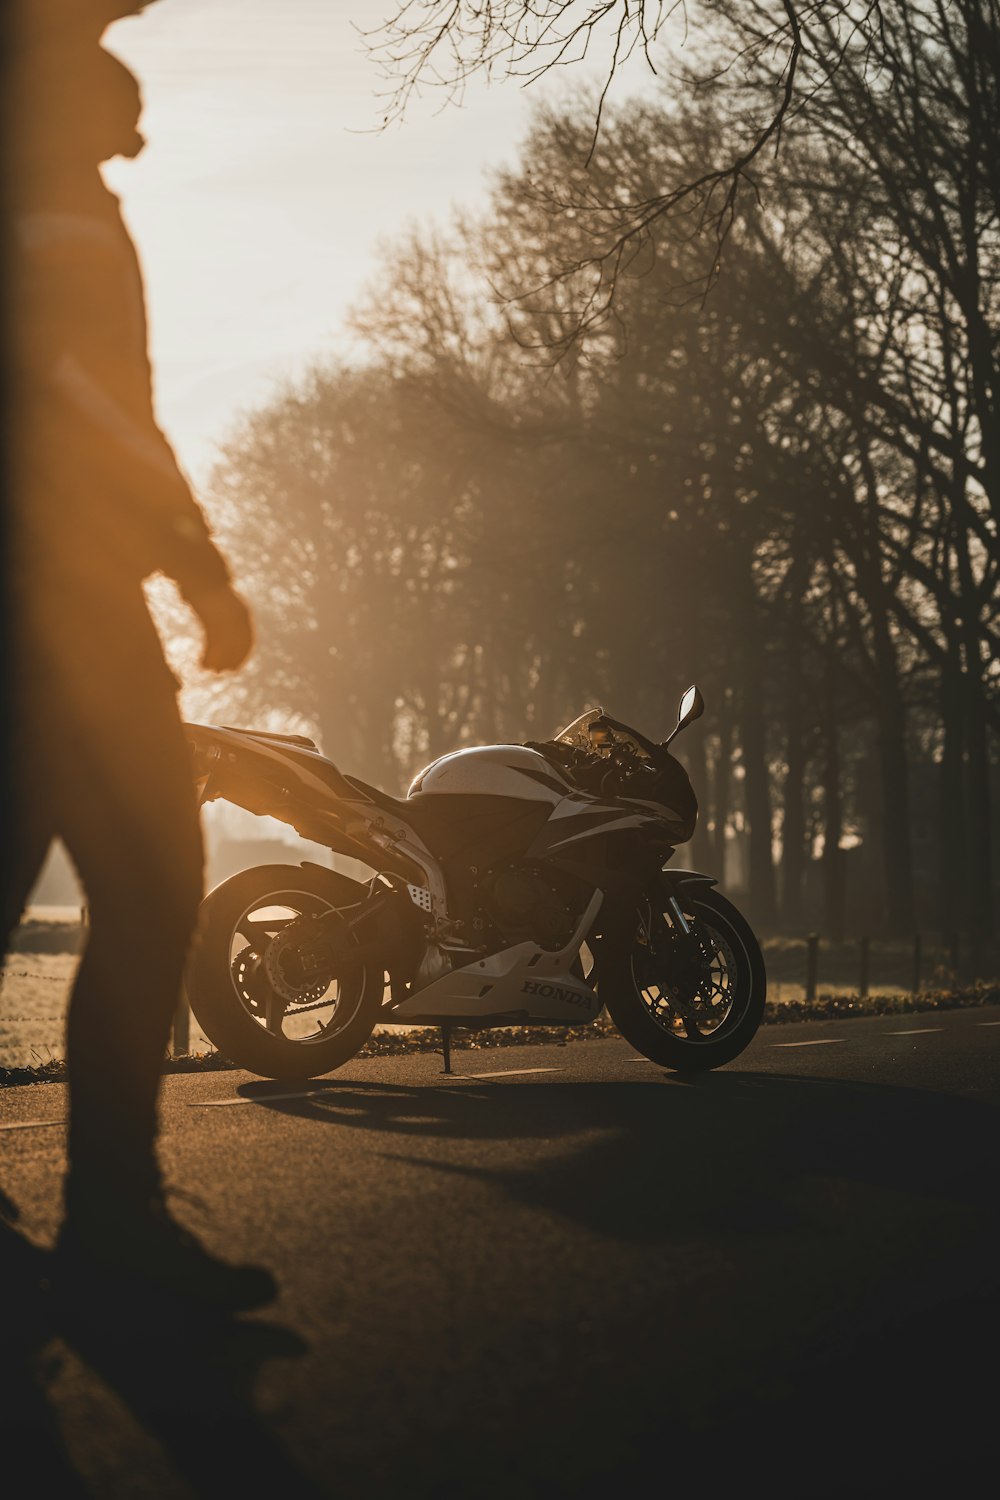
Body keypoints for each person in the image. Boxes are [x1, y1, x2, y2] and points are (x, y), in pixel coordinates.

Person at [1, 3, 275, 1310]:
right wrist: (197, 560)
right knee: (159, 875)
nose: (144, 128)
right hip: (57, 596)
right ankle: (113, 1216)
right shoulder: (52, 184)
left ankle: (115, 1212)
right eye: (125, 107)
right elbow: (89, 390)